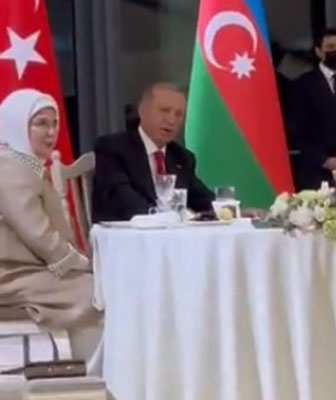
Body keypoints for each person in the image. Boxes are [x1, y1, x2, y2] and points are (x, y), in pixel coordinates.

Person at [0, 88, 101, 363]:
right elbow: (37, 233)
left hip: (28, 269)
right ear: (17, 124)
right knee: (92, 292)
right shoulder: (9, 168)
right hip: (11, 275)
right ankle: (91, 373)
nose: (51, 132)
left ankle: (93, 368)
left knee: (99, 287)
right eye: (41, 123)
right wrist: (78, 262)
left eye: (54, 123)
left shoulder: (25, 164)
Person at [92, 82, 215, 222]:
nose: (171, 120)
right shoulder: (112, 148)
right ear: (142, 112)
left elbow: (201, 198)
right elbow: (121, 197)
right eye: (164, 111)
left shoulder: (181, 157)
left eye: (179, 114)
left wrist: (226, 210)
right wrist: (161, 217)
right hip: (127, 230)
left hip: (170, 232)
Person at [291, 28, 336, 189]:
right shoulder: (303, 85)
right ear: (319, 51)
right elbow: (297, 132)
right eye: (331, 47)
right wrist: (324, 161)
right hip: (317, 172)